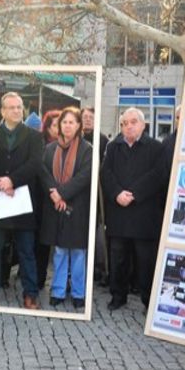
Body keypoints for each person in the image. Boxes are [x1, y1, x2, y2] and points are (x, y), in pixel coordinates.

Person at [0, 92, 43, 309]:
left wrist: (12, 180)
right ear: (3, 111)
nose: (17, 110)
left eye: (19, 107)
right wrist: (2, 183)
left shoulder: (34, 136)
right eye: (12, 107)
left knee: (26, 250)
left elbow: (35, 164)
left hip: (22, 200)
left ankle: (30, 294)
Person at [102, 108, 164, 311]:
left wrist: (134, 193)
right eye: (124, 123)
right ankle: (118, 296)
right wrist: (117, 193)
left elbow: (158, 175)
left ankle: (148, 299)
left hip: (144, 214)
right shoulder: (113, 147)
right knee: (117, 258)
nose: (128, 126)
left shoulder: (155, 147)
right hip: (119, 212)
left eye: (133, 122)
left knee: (145, 261)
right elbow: (106, 173)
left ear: (143, 125)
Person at [39, 107, 93, 308]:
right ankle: (58, 291)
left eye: (72, 122)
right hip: (56, 207)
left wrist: (62, 193)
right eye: (64, 122)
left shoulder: (87, 149)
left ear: (78, 125)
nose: (67, 126)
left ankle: (79, 293)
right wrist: (54, 192)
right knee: (60, 251)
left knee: (78, 252)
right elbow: (43, 172)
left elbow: (84, 176)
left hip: (77, 207)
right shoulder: (50, 149)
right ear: (59, 125)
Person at [82, 106, 109, 287]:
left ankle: (98, 268)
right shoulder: (77, 138)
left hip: (96, 192)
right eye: (84, 117)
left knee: (97, 234)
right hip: (79, 193)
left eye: (91, 117)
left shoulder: (103, 140)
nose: (87, 120)